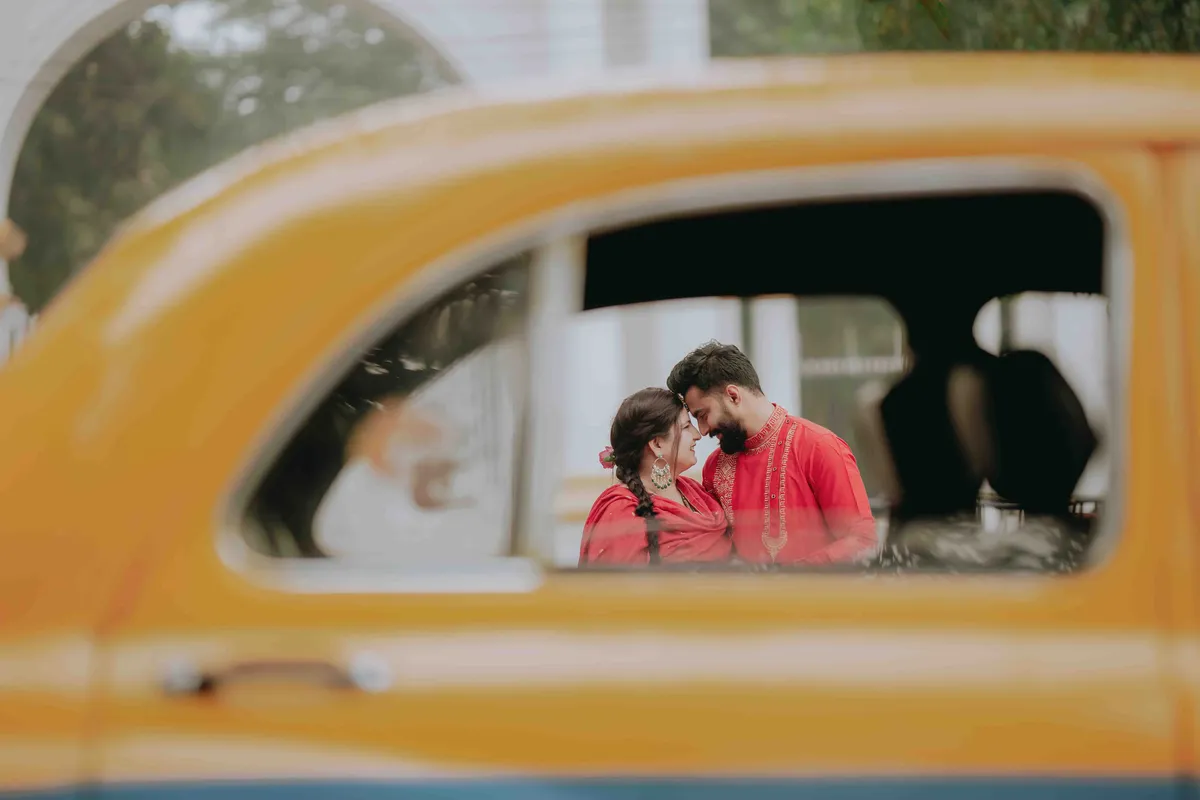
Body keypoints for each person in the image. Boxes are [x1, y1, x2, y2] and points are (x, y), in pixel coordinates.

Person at [667, 341, 877, 565]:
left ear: (733, 396)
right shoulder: (715, 467)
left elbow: (861, 541)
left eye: (703, 414)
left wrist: (791, 578)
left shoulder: (819, 446)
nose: (704, 430)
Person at [580, 388, 732, 566]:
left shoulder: (695, 492)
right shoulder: (622, 509)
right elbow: (616, 590)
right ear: (657, 444)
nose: (697, 435)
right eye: (685, 427)